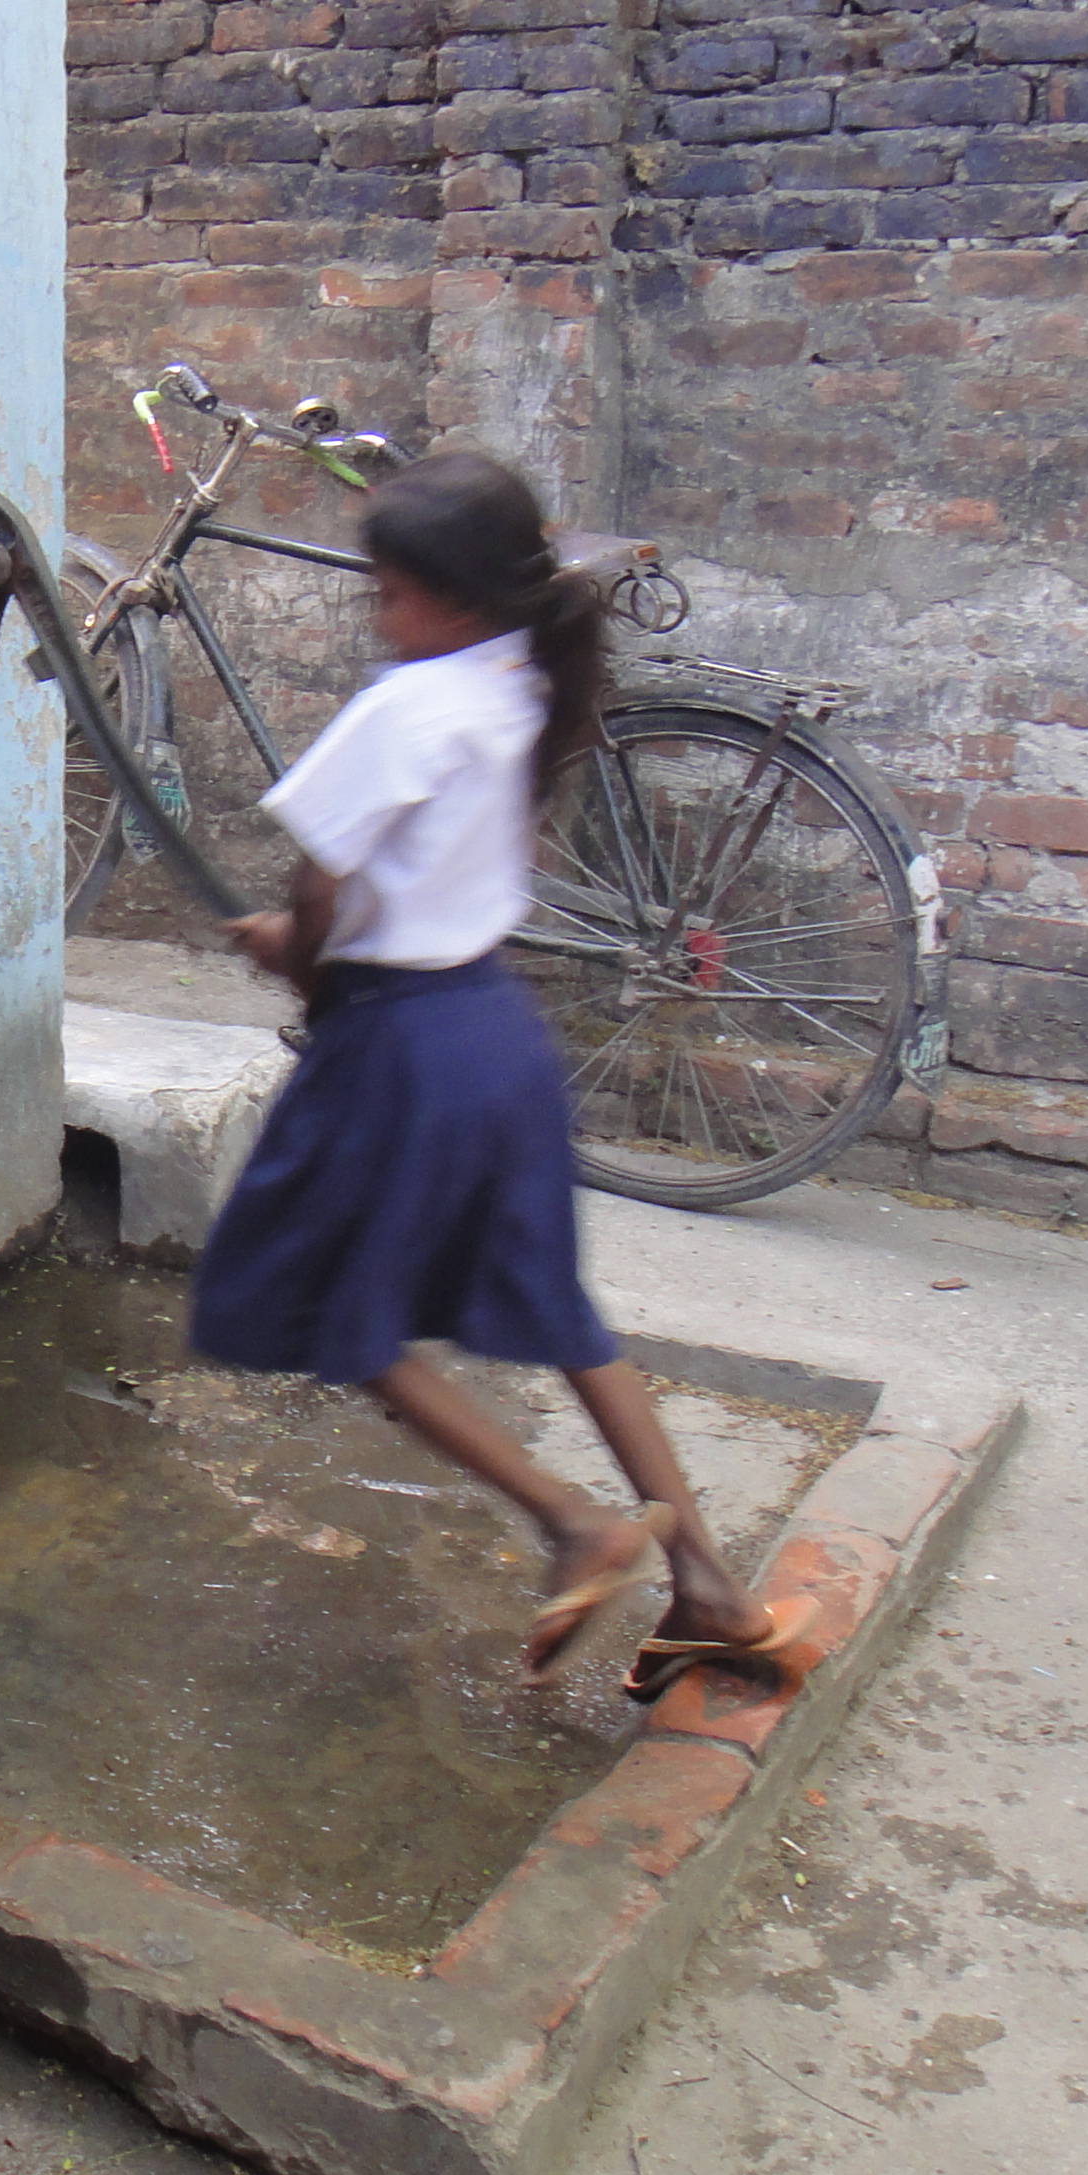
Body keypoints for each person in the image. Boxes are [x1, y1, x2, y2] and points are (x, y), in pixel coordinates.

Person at [189, 453, 819, 1697]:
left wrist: (288, 953)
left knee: (333, 1312)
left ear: (456, 598)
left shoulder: (405, 707)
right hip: (496, 1032)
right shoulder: (527, 683)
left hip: (402, 1049)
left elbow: (319, 892)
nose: (378, 616)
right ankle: (709, 1588)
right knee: (561, 1311)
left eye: (389, 595)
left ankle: (574, 1523)